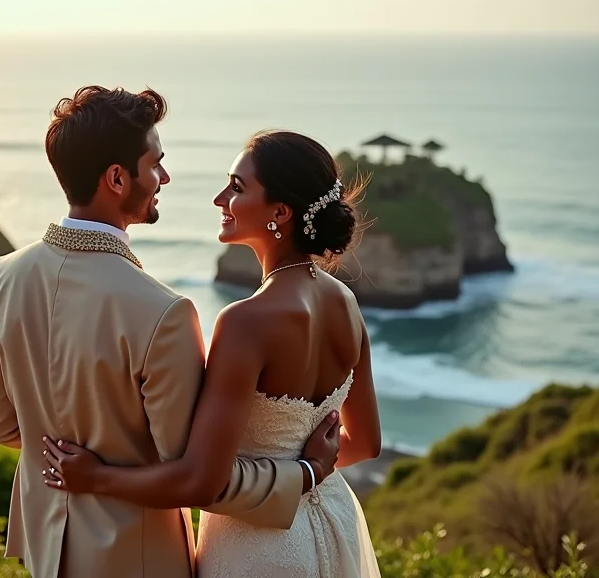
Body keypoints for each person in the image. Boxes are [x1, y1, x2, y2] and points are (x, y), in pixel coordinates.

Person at [0, 87, 341, 578]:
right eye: (156, 164)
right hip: (140, 560)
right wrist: (308, 473)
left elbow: (4, 427)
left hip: (47, 553)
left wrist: (74, 456)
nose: (165, 177)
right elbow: (196, 478)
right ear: (116, 178)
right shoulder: (163, 312)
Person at [42, 129, 383, 577]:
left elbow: (199, 481)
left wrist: (96, 478)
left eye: (237, 188)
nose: (220, 198)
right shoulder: (345, 302)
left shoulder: (245, 321)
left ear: (280, 212)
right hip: (334, 523)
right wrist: (310, 470)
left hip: (259, 548)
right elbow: (367, 442)